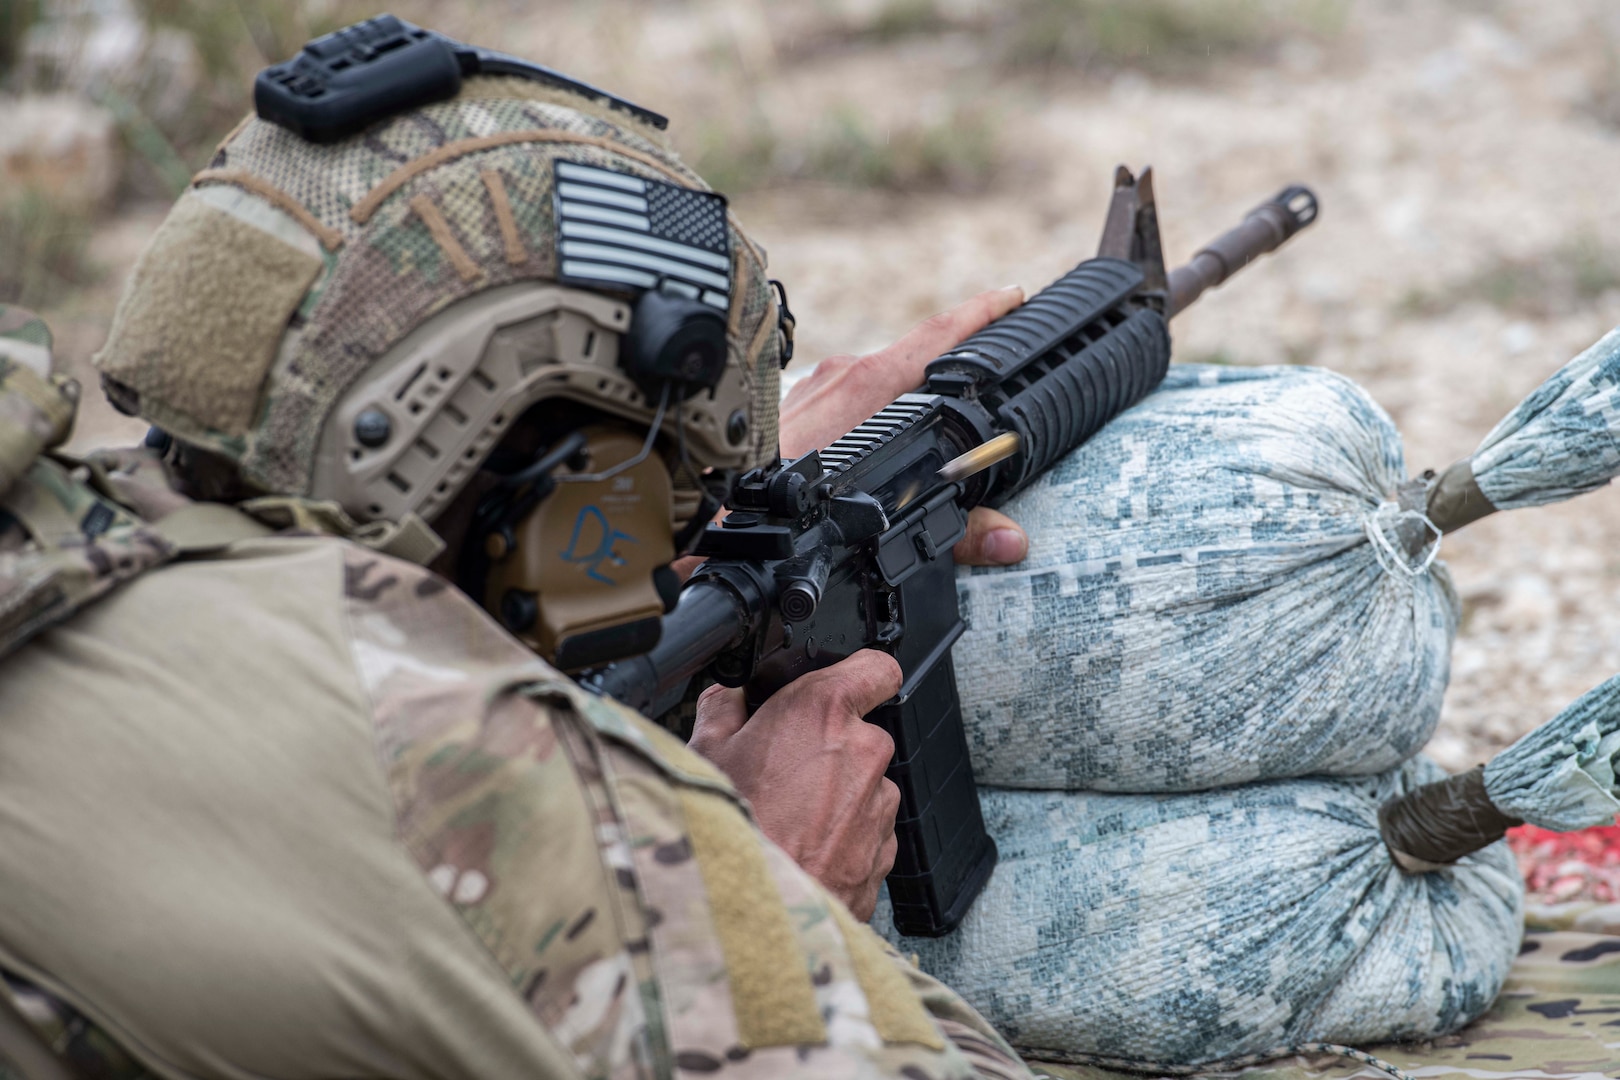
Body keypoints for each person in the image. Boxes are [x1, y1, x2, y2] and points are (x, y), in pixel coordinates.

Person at [0, 21, 1033, 1078]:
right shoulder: (447, 762)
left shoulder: (63, 535)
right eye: (667, 492)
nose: (683, 529)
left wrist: (753, 496)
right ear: (558, 508)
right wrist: (776, 888)